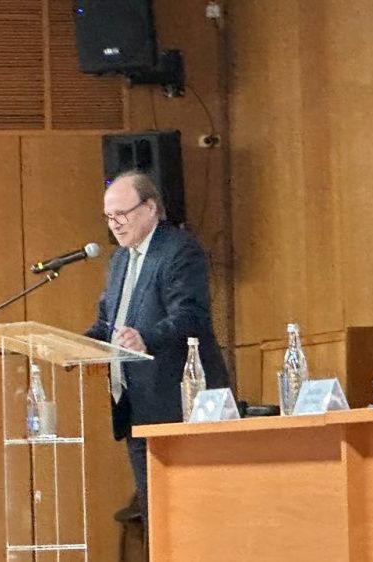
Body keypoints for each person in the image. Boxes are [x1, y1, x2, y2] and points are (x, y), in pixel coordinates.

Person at [85, 170, 229, 526]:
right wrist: (77, 345)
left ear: (150, 207)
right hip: (136, 407)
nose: (115, 224)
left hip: (179, 404)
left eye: (122, 214)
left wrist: (146, 337)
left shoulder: (179, 250)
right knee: (157, 518)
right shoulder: (120, 260)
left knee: (190, 517)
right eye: (109, 217)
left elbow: (191, 315)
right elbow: (108, 323)